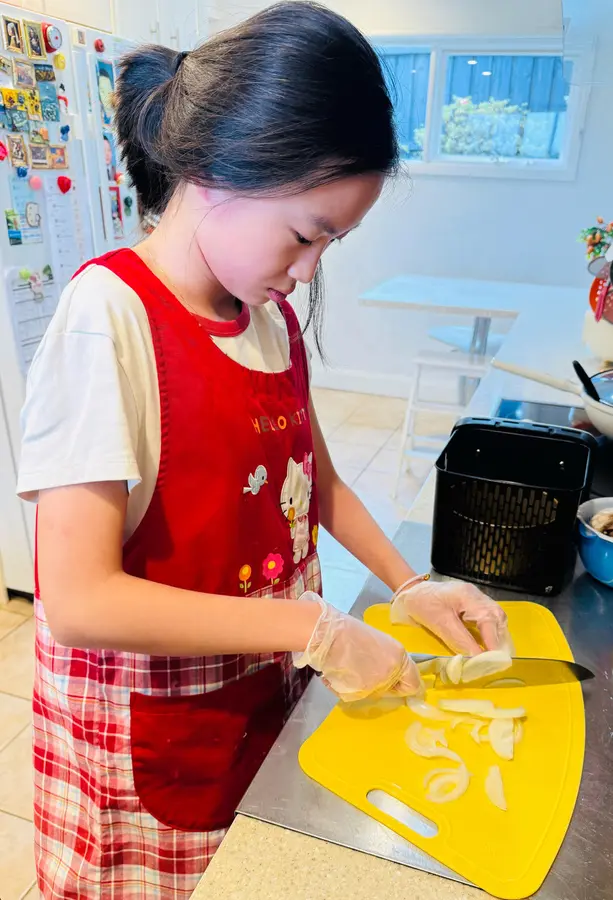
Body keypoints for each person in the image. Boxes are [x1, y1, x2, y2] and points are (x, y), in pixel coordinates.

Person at [18, 3, 510, 897]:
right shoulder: (110, 319)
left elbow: (311, 477)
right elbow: (81, 598)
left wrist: (407, 582)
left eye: (334, 241)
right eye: (306, 232)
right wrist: (313, 627)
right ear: (215, 172)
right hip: (148, 727)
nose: (311, 268)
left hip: (251, 694)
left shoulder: (270, 318)